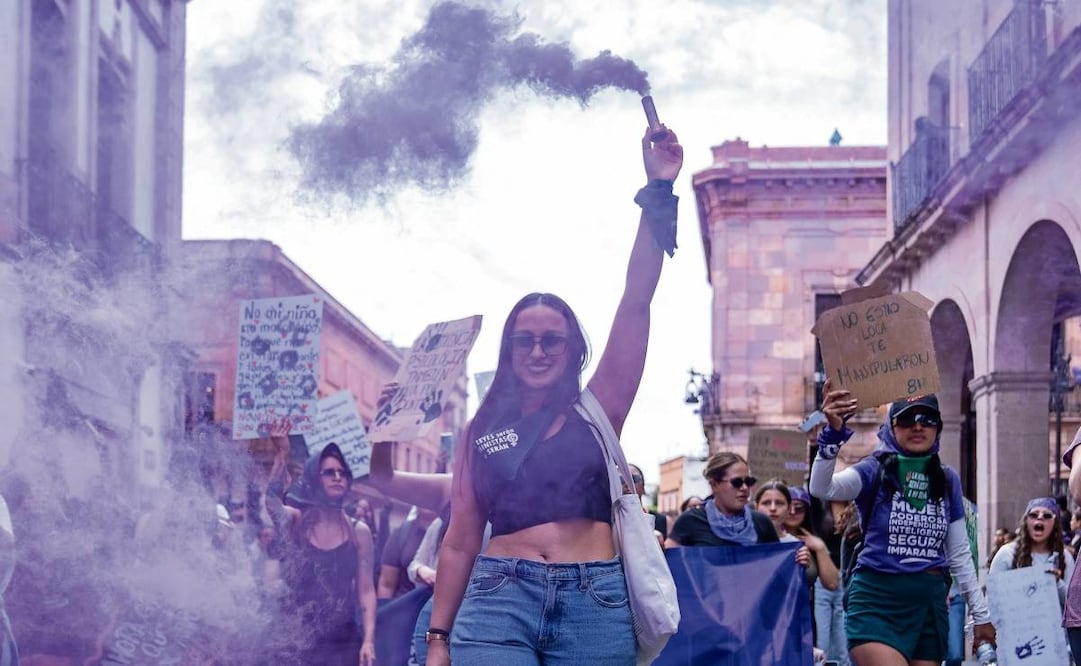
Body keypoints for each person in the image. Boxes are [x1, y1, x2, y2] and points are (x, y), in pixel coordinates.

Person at [425, 123, 684, 666]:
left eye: (552, 340)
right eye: (525, 340)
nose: (538, 351)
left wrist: (657, 189)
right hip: (498, 599)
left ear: (572, 350)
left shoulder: (598, 409)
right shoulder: (480, 431)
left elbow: (637, 299)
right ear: (508, 349)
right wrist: (438, 640)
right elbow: (459, 538)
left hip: (595, 601)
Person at [810, 381, 995, 666]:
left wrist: (981, 616)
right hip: (876, 602)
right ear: (892, 427)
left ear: (938, 428)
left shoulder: (947, 479)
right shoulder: (875, 469)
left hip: (929, 607)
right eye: (907, 418)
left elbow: (959, 554)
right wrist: (833, 434)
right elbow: (823, 488)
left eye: (927, 418)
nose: (918, 426)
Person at [265, 430, 377, 666]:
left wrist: (368, 640)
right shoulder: (296, 522)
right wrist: (282, 452)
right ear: (315, 479)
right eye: (329, 473)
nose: (338, 477)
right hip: (297, 641)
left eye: (342, 472)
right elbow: (272, 501)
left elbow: (366, 591)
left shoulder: (359, 532)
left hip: (343, 644)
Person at [666, 452, 779, 548]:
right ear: (714, 485)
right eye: (737, 482)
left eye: (748, 482)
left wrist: (796, 556)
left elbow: (778, 564)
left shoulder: (762, 522)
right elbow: (665, 561)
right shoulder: (691, 520)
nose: (744, 488)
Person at [989, 497, 1075, 608]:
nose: (1039, 518)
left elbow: (1074, 604)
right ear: (1026, 521)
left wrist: (1057, 583)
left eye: (1047, 515)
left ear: (1055, 524)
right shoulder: (1007, 554)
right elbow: (992, 598)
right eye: (1034, 515)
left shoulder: (1065, 557)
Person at [630, 463, 669, 540]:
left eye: (633, 479)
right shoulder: (607, 523)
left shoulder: (664, 522)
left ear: (643, 486)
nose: (627, 483)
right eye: (620, 479)